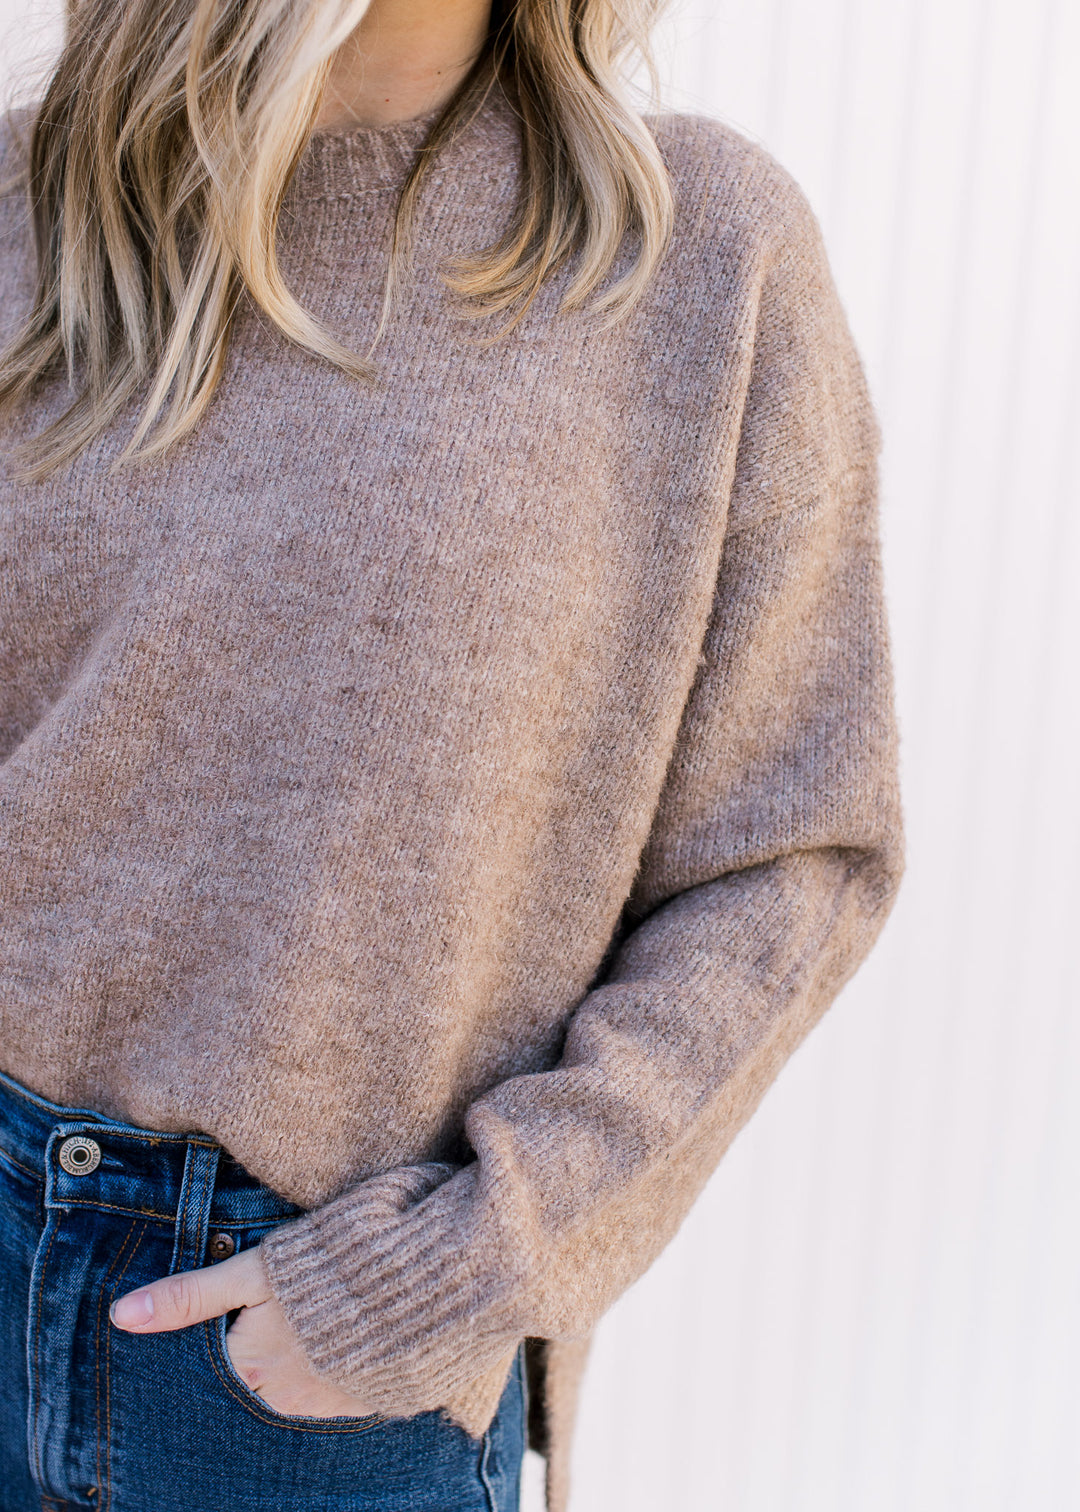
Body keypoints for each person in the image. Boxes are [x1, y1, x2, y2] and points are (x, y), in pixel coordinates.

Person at [0, 0, 904, 1508]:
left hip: (295, 1367)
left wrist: (461, 1264)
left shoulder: (697, 255)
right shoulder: (33, 208)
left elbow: (794, 857)